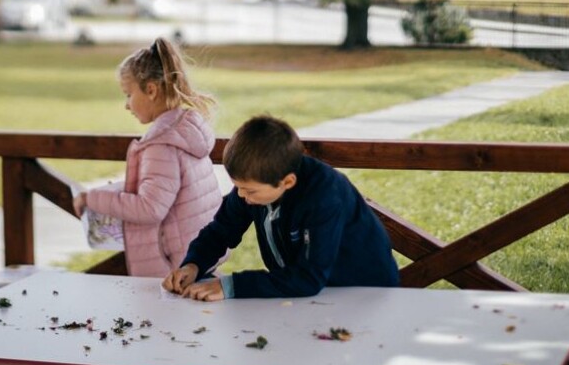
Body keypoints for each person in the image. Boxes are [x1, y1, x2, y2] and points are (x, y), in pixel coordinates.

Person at [163, 115, 400, 300]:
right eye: (238, 188)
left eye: (250, 191)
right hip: (312, 295)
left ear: (287, 182)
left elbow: (308, 277)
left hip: (368, 292)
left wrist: (231, 286)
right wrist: (193, 265)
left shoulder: (324, 196)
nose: (242, 196)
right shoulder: (255, 183)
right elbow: (220, 231)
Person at [73, 38, 221, 277]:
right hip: (198, 258)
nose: (126, 105)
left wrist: (93, 200)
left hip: (173, 269)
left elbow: (150, 208)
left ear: (151, 90)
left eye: (128, 94)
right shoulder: (185, 127)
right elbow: (160, 189)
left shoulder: (161, 144)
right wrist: (107, 194)